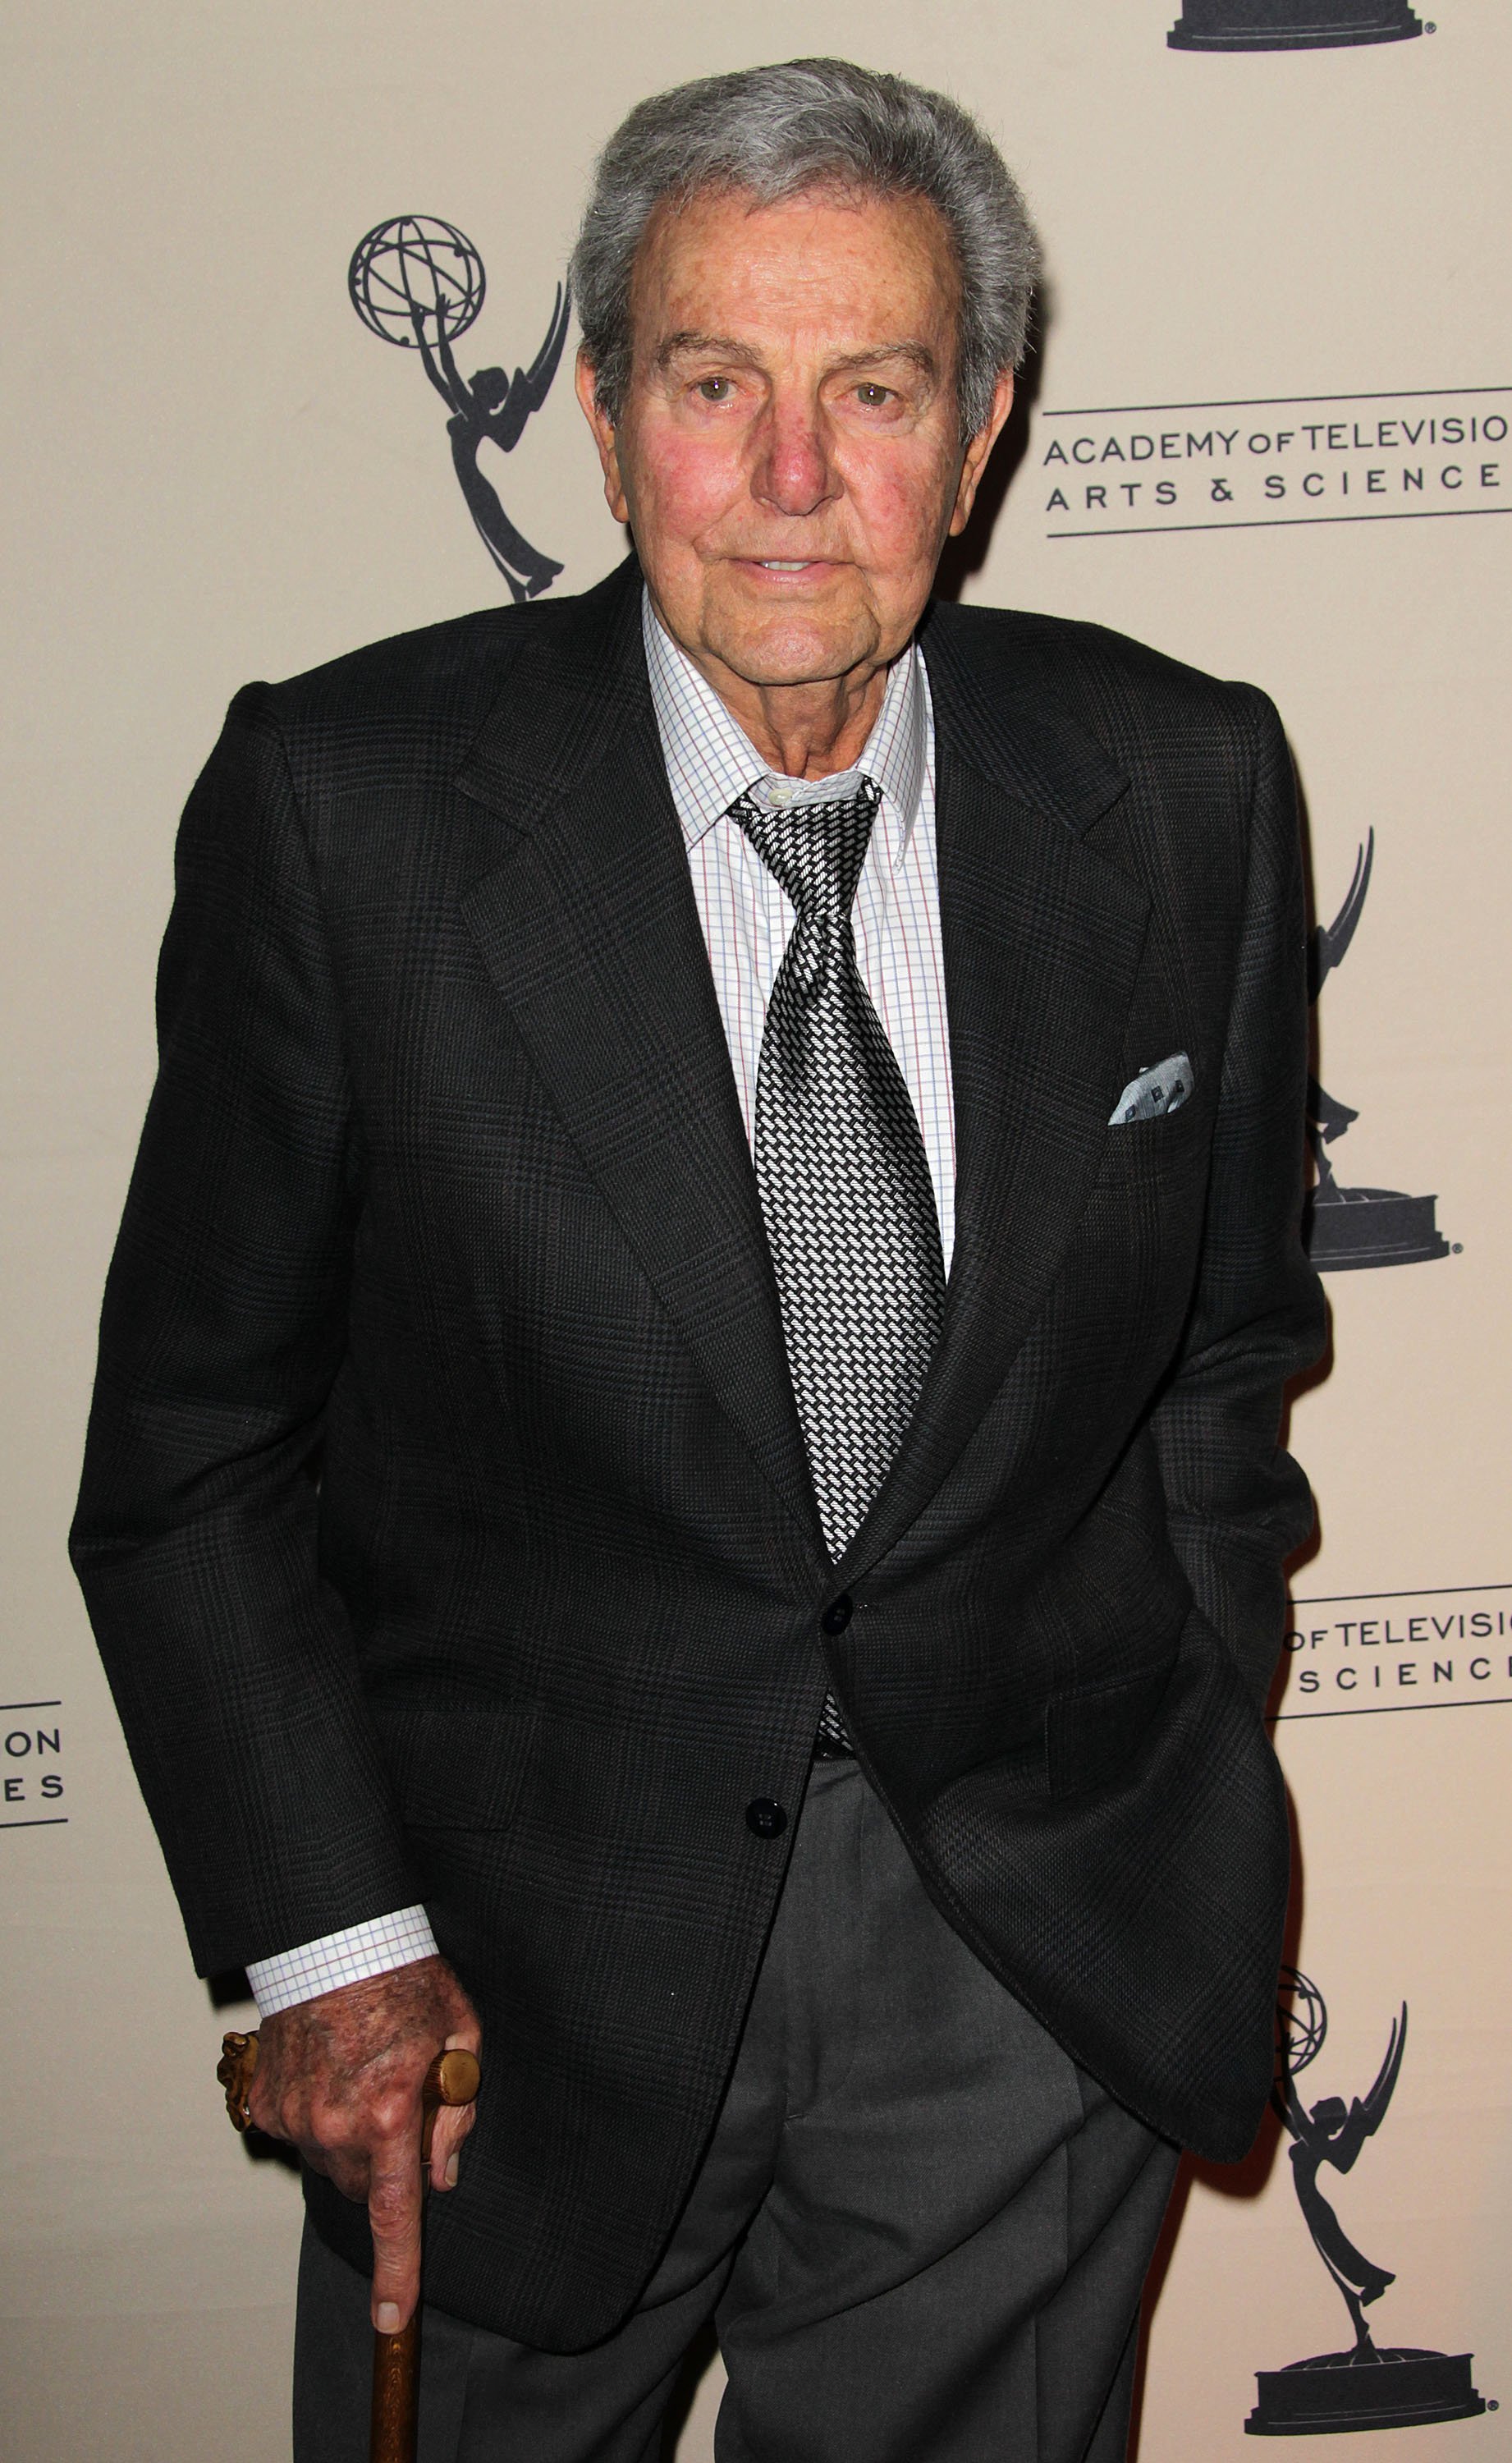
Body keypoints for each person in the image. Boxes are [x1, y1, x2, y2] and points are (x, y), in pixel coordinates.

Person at [71, 57, 1325, 2463]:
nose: (784, 481)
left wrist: (1170, 1765)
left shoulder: (1181, 785)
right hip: (498, 2002)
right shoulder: (349, 813)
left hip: (1023, 1966)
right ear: (601, 416)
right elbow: (197, 1458)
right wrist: (334, 1952)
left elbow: (1219, 1361)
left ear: (974, 440)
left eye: (869, 392)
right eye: (707, 381)